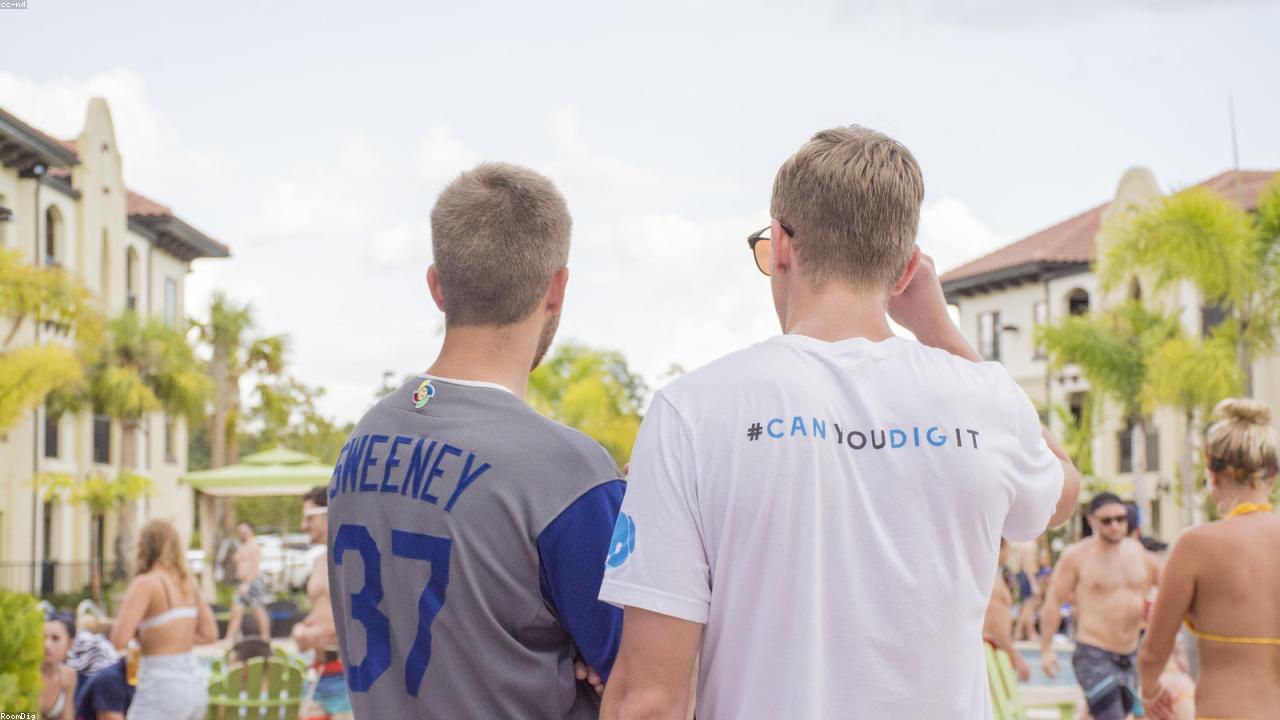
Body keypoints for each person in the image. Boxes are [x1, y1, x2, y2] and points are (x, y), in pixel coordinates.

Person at [598, 125, 1080, 718]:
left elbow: (650, 698)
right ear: (906, 271)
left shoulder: (692, 411)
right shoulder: (985, 402)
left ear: (779, 247)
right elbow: (1063, 489)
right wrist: (939, 330)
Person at [327, 162, 624, 718]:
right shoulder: (569, 473)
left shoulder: (359, 443)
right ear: (556, 289)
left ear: (437, 286)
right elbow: (647, 683)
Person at [1139, 398, 1280, 720]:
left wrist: (1151, 692)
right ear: (1272, 474)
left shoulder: (1196, 545)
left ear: (1214, 474)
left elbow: (1152, 655)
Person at [1039, 492, 1161, 720]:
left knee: (1112, 714)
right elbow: (1053, 602)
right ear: (1092, 521)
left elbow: (1173, 591)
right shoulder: (1077, 556)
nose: (1115, 525)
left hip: (1130, 654)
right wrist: (1046, 649)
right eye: (1107, 520)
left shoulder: (1141, 555)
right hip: (1093, 652)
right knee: (1111, 716)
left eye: (1120, 519)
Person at [110, 519, 217, 720]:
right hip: (194, 685)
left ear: (144, 546)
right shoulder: (188, 584)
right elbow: (209, 634)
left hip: (161, 686)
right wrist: (170, 638)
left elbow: (119, 640)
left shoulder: (146, 583)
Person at [292, 486, 351, 719]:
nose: (303, 526)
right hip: (318, 670)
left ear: (329, 514)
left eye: (309, 518)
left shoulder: (351, 558)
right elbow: (322, 610)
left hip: (346, 675)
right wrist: (304, 628)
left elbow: (361, 617)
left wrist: (319, 633)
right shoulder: (319, 561)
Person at [985, 539, 1032, 681]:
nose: (1009, 555)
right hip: (994, 647)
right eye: (1008, 551)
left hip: (994, 646)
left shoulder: (992, 577)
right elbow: (995, 626)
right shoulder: (993, 582)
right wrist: (1015, 657)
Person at [223, 521, 270, 642]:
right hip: (242, 582)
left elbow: (255, 567)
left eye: (244, 530)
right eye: (240, 531)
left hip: (252, 582)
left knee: (258, 610)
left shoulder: (254, 546)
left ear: (250, 531)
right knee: (236, 610)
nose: (241, 533)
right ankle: (229, 638)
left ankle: (265, 638)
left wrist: (247, 584)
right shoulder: (242, 546)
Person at [42, 612, 77, 720]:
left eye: (55, 638)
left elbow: (67, 717)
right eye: (42, 637)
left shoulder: (69, 675)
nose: (46, 645)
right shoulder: (26, 673)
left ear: (70, 644)